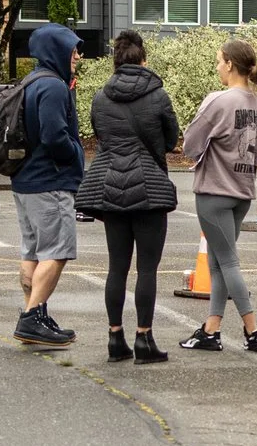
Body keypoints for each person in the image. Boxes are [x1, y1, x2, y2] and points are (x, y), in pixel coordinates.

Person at [74, 31, 180, 364]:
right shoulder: (158, 96)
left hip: (110, 188)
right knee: (147, 270)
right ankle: (144, 339)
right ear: (143, 60)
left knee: (116, 267)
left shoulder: (101, 97)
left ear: (116, 61)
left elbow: (99, 133)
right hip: (149, 187)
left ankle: (115, 337)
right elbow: (170, 139)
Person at [179, 37, 257, 353]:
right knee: (220, 262)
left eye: (220, 61)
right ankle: (212, 327)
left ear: (230, 64)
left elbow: (191, 144)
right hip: (242, 190)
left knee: (228, 262)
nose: (218, 67)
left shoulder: (217, 101)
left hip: (214, 190)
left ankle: (253, 329)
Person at [9, 22, 85, 348]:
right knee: (57, 252)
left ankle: (33, 316)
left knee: (33, 252)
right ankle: (32, 317)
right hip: (50, 182)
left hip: (25, 180)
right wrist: (74, 154)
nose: (78, 56)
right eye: (73, 49)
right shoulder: (52, 87)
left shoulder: (31, 81)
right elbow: (55, 136)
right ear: (57, 49)